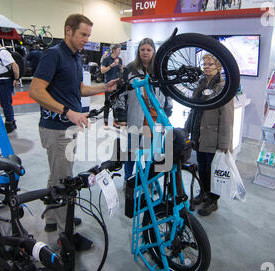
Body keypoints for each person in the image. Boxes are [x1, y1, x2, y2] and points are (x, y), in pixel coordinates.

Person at [29, 14, 118, 250]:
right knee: (63, 180)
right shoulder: (53, 55)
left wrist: (103, 87)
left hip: (68, 127)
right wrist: (67, 111)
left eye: (89, 35)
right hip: (55, 129)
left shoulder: (76, 57)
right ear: (68, 30)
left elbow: (78, 89)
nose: (86, 39)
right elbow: (35, 91)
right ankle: (63, 233)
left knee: (57, 174)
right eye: (83, 34)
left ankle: (52, 217)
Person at [184, 53, 234, 216]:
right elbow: (194, 108)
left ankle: (213, 201)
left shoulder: (223, 87)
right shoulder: (200, 85)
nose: (206, 67)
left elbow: (227, 117)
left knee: (213, 170)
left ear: (218, 67)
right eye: (204, 64)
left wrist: (225, 144)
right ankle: (204, 193)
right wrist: (187, 128)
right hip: (200, 134)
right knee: (203, 168)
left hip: (213, 136)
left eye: (210, 64)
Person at [118, 38, 172, 182]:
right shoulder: (130, 69)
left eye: (148, 50)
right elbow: (120, 93)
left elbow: (168, 93)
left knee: (152, 154)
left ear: (153, 51)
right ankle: (128, 180)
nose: (145, 52)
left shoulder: (160, 70)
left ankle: (150, 182)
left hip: (155, 119)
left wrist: (167, 112)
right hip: (135, 118)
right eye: (142, 50)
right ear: (138, 51)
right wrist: (121, 117)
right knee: (131, 152)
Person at [101, 44, 123, 129]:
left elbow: (120, 71)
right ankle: (105, 122)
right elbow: (102, 71)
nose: (120, 51)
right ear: (113, 50)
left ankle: (115, 121)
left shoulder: (120, 59)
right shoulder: (106, 59)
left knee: (116, 103)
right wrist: (111, 66)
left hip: (117, 85)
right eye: (118, 49)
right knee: (107, 103)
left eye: (120, 49)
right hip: (108, 85)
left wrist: (121, 69)